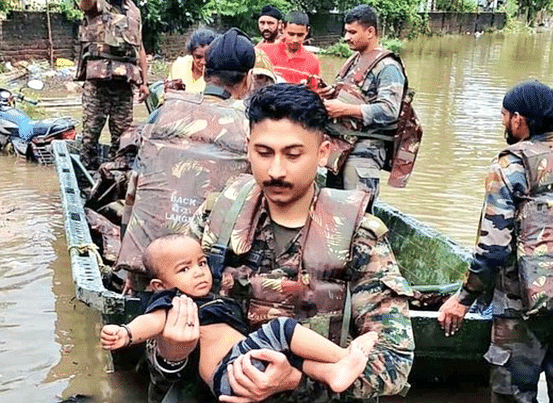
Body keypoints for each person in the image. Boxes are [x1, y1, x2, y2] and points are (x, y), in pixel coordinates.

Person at [150, 83, 414, 403]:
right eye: (264, 153)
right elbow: (160, 327)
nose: (276, 170)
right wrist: (171, 354)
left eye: (293, 154)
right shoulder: (216, 219)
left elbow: (395, 365)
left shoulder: (358, 237)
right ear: (248, 147)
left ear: (323, 152)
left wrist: (295, 381)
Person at [438, 81, 553, 403]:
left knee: (514, 395)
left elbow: (493, 249)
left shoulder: (509, 166)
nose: (503, 122)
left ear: (518, 119)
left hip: (521, 308)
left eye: (504, 115)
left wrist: (463, 299)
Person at [103, 234, 379, 398]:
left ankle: (333, 372)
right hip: (229, 371)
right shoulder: (173, 301)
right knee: (282, 328)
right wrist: (126, 334)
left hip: (241, 362)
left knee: (288, 355)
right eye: (184, 269)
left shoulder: (208, 298)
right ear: (159, 286)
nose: (199, 272)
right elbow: (151, 322)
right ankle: (346, 356)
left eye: (201, 263)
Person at [115, 27, 256, 289]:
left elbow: (135, 192)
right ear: (248, 79)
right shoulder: (252, 126)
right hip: (206, 273)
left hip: (148, 263)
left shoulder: (165, 110)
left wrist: (132, 267)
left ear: (205, 70)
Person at [318, 5, 406, 207]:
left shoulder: (388, 67)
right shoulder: (353, 60)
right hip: (341, 149)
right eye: (346, 32)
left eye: (352, 32)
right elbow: (355, 93)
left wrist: (344, 110)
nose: (346, 37)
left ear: (370, 32)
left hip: (365, 151)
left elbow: (390, 110)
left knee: (358, 215)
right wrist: (329, 91)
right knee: (333, 210)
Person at [76, 0, 149, 170]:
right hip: (98, 83)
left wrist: (145, 82)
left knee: (123, 137)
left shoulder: (134, 11)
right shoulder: (96, 3)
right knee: (91, 135)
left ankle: (117, 177)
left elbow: (139, 47)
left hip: (124, 84)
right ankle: (86, 180)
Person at [257, 12, 321, 84]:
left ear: (307, 32)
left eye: (300, 35)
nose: (295, 40)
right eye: (291, 34)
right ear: (282, 28)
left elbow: (315, 91)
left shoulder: (313, 61)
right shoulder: (263, 52)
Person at [167, 29, 217, 93]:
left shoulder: (217, 74)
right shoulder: (179, 65)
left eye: (207, 57)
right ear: (191, 53)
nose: (203, 62)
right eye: (198, 57)